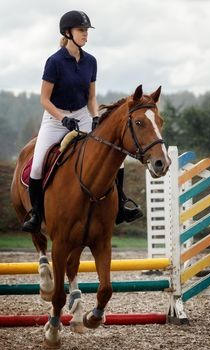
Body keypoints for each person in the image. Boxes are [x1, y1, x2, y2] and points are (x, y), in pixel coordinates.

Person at [22, 10, 142, 233]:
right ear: (68, 33)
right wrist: (62, 118)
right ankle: (37, 214)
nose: (86, 34)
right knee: (37, 165)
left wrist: (95, 117)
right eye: (81, 30)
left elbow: (91, 97)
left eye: (86, 30)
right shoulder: (54, 62)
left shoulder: (91, 62)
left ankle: (121, 205)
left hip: (82, 115)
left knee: (116, 156)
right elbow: (44, 99)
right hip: (55, 119)